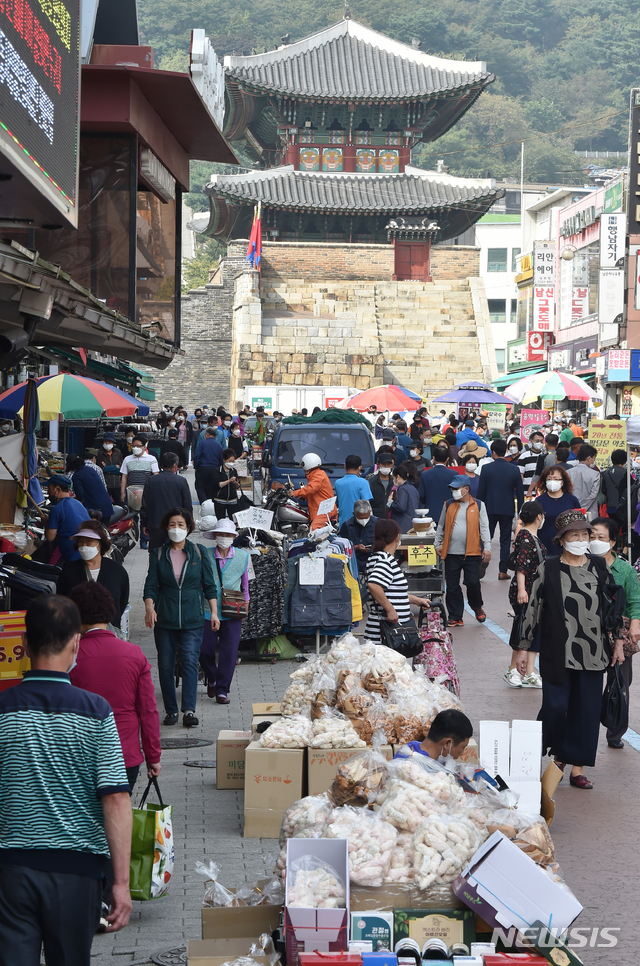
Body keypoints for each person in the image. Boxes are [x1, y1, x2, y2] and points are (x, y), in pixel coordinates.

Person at [0, 596, 132, 961]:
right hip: (76, 873)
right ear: (76, 642)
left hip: (11, 871)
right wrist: (121, 883)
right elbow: (116, 799)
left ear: (23, 645)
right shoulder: (96, 712)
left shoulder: (3, 710)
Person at [515, 508, 625, 789]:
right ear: (562, 539)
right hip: (557, 653)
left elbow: (611, 609)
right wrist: (523, 648)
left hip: (593, 652)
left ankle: (576, 768)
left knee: (585, 712)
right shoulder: (549, 567)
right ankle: (556, 749)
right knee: (555, 706)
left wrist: (617, 643)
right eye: (574, 534)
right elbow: (532, 610)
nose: (580, 539)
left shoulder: (599, 567)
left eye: (584, 534)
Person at [68, 581, 161, 791]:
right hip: (125, 754)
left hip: (81, 755)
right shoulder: (134, 654)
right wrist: (152, 755)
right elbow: (148, 710)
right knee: (117, 817)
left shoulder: (70, 657)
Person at [143, 508, 217, 728]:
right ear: (167, 528)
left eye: (181, 525)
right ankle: (171, 710)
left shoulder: (199, 552)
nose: (176, 529)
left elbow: (210, 586)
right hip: (165, 619)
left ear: (188, 528)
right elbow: (150, 585)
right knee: (165, 665)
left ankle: (189, 710)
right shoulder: (158, 554)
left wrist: (213, 612)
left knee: (190, 663)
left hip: (193, 619)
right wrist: (149, 607)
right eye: (172, 525)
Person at [590, 518, 640, 748]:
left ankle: (616, 732)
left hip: (618, 632)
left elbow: (634, 601)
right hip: (590, 633)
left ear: (612, 542)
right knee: (589, 683)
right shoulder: (583, 566)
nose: (595, 542)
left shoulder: (625, 569)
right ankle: (587, 727)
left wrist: (636, 624)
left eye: (600, 538)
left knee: (620, 682)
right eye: (591, 537)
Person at [199, 519, 250, 704]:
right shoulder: (204, 555)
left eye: (229, 535)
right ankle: (211, 677)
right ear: (214, 536)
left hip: (233, 610)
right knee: (204, 650)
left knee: (229, 652)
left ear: (234, 537)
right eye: (221, 534)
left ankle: (222, 689)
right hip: (206, 609)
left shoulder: (243, 556)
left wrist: (246, 605)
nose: (225, 538)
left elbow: (245, 584)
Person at [435, 476, 491, 626]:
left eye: (457, 488)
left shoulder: (478, 505)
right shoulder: (448, 505)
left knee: (472, 582)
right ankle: (455, 615)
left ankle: (477, 606)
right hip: (451, 552)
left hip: (472, 553)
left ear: (466, 488)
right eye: (453, 489)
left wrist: (488, 547)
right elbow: (441, 526)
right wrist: (437, 543)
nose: (454, 491)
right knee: (452, 585)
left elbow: (484, 527)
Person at [364, 519, 428, 644]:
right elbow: (374, 585)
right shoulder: (386, 560)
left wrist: (417, 600)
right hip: (387, 632)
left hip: (382, 630)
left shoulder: (376, 557)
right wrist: (390, 609)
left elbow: (392, 592)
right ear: (396, 537)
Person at [57, 521, 130, 629]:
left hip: (109, 634)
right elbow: (62, 601)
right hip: (77, 633)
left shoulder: (117, 571)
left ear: (100, 544)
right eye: (80, 542)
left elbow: (122, 601)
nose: (83, 545)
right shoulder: (69, 571)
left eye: (88, 541)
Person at [505, 500, 546, 688]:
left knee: (532, 630)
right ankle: (513, 669)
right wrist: (522, 590)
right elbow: (521, 567)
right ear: (539, 517)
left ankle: (528, 671)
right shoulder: (526, 538)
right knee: (522, 627)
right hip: (526, 591)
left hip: (533, 591)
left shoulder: (528, 537)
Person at [477, 438, 524, 579]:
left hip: (489, 508)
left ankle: (480, 561)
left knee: (486, 537)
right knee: (505, 540)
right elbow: (520, 493)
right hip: (507, 508)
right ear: (506, 451)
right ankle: (503, 570)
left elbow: (481, 493)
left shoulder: (486, 469)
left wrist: (479, 510)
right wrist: (520, 512)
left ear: (493, 452)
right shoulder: (514, 470)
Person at [141, 452, 193, 550]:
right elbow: (187, 505)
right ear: (175, 465)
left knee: (155, 554)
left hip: (155, 525)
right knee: (175, 552)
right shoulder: (181, 481)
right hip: (175, 526)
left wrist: (144, 524)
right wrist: (188, 523)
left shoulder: (151, 481)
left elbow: (145, 505)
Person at [120, 434, 159, 549]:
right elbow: (124, 477)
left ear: (144, 446)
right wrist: (123, 492)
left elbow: (155, 475)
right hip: (131, 493)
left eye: (138, 445)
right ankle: (131, 537)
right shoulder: (127, 459)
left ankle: (144, 539)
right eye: (133, 446)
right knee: (131, 516)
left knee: (145, 516)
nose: (135, 448)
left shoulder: (151, 459)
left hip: (146, 493)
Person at [43, 474, 91, 564]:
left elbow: (50, 537)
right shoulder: (78, 504)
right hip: (87, 552)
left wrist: (46, 524)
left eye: (49, 489)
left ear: (57, 490)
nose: (49, 492)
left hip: (72, 555)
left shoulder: (57, 509)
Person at [535, 465, 581, 556]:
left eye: (556, 479)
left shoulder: (572, 500)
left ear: (562, 482)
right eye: (549, 479)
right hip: (545, 545)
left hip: (568, 546)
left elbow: (579, 523)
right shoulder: (539, 501)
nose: (552, 481)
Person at [393, 709, 473, 760]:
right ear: (447, 743)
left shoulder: (412, 746)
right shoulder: (419, 769)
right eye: (463, 747)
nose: (462, 753)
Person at [289, 453, 337, 522]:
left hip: (323, 512)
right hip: (321, 510)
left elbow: (311, 489)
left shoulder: (318, 476)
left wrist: (294, 493)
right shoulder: (316, 475)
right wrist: (304, 496)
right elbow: (316, 494)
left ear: (307, 465)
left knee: (313, 531)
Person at [71, 450, 114, 524]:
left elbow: (80, 496)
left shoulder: (77, 476)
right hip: (107, 506)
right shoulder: (92, 470)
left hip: (95, 511)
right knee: (104, 532)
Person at [418, 445, 457, 522]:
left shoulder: (425, 474)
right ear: (447, 459)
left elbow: (421, 495)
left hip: (431, 513)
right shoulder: (454, 474)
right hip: (449, 512)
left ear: (433, 458)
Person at [339, 499, 378, 574]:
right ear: (354, 514)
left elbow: (384, 542)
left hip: (374, 558)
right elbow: (342, 547)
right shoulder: (347, 526)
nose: (364, 520)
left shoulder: (377, 523)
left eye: (366, 517)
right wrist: (356, 547)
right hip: (354, 560)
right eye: (361, 518)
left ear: (369, 513)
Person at [335, 455, 373, 529]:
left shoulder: (338, 483)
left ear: (345, 466)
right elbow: (366, 504)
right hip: (359, 522)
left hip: (343, 523)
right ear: (360, 467)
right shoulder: (363, 482)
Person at [567, 444, 601, 518]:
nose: (594, 461)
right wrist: (582, 508)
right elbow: (593, 495)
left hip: (571, 510)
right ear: (589, 458)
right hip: (590, 513)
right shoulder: (595, 474)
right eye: (594, 458)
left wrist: (576, 508)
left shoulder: (568, 472)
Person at [194, 427, 225, 505]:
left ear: (207, 434)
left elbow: (197, 456)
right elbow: (221, 459)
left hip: (203, 468)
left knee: (200, 487)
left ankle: (204, 503)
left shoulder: (202, 443)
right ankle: (210, 503)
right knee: (211, 487)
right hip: (214, 469)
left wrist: (196, 466)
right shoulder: (219, 445)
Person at [211, 448, 243, 519]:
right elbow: (218, 485)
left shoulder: (233, 471)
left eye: (233, 461)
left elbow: (237, 486)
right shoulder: (217, 471)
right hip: (220, 500)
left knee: (234, 521)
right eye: (230, 461)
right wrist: (229, 480)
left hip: (232, 500)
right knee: (221, 520)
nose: (231, 463)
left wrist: (236, 483)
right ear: (224, 460)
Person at [388, 464, 419, 533]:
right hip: (412, 523)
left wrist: (390, 502)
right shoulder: (413, 488)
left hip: (403, 525)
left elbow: (401, 507)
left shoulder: (402, 488)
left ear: (398, 477)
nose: (393, 481)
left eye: (393, 478)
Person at [367, 452, 395, 519]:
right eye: (383, 464)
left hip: (391, 517)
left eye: (388, 464)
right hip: (375, 517)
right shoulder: (371, 481)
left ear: (392, 465)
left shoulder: (394, 481)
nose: (386, 466)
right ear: (378, 465)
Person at [600, 449, 627, 519]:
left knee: (613, 526)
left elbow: (603, 490)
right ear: (625, 460)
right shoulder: (625, 473)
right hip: (622, 506)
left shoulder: (605, 473)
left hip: (610, 506)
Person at [97, 432, 123, 503]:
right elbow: (102, 469)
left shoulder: (118, 452)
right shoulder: (100, 453)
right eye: (105, 442)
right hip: (106, 485)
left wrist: (108, 469)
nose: (107, 443)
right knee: (106, 503)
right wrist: (115, 467)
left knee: (119, 503)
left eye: (109, 442)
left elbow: (121, 469)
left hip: (117, 484)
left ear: (113, 442)